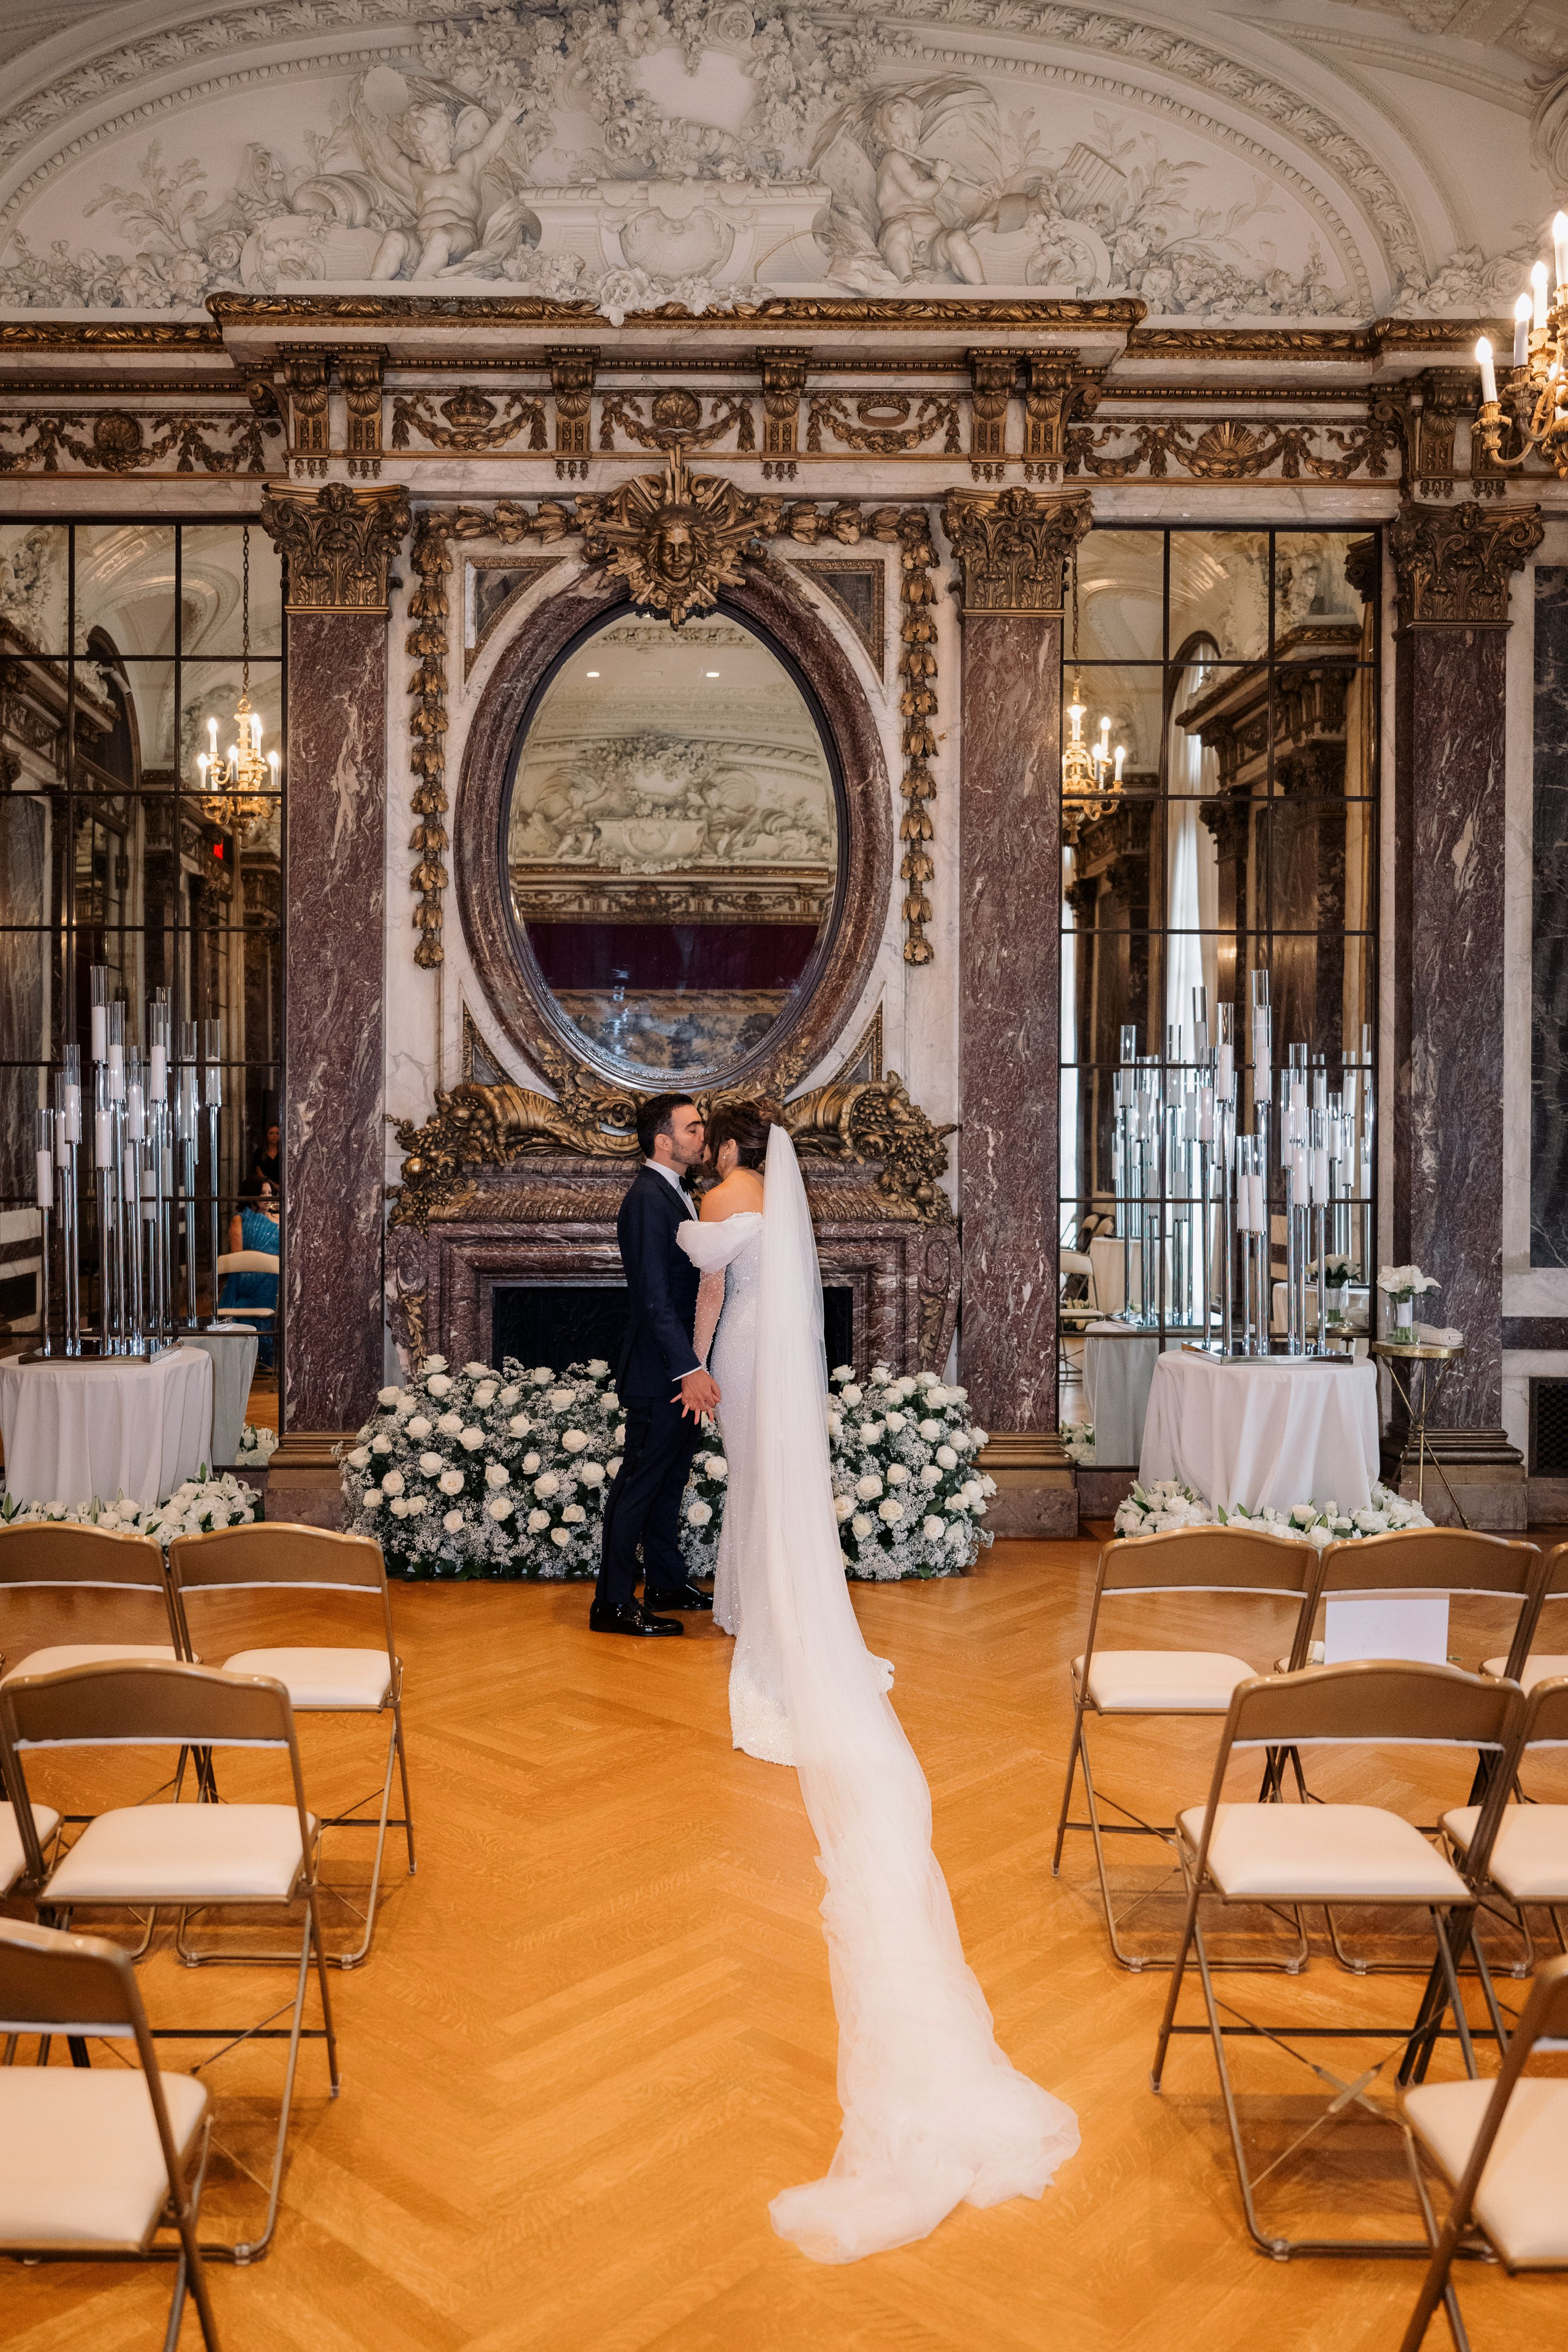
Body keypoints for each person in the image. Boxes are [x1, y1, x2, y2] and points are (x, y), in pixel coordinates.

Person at [676, 1106, 1079, 2262]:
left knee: (751, 1485)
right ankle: (761, 1613)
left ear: (735, 1150)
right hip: (776, 1352)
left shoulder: (716, 1205)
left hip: (739, 1351)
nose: (704, 1152)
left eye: (713, 1140)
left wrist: (697, 1355)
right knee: (767, 1489)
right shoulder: (774, 1211)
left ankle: (758, 1626)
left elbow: (705, 1291)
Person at [590, 1093, 719, 1638]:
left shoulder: (675, 1193)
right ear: (663, 1140)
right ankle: (613, 1604)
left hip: (671, 1367)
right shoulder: (647, 1197)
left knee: (668, 1479)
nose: (702, 1136)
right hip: (659, 1371)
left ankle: (666, 1580)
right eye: (692, 1128)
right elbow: (652, 1298)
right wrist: (687, 1368)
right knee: (640, 1485)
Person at [220, 1186, 279, 1368]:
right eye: (263, 1193)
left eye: (270, 1193)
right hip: (248, 1279)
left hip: (274, 1278)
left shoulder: (279, 1217)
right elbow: (237, 1256)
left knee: (275, 1283)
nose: (267, 1197)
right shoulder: (240, 1220)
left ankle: (268, 1356)